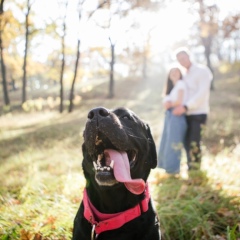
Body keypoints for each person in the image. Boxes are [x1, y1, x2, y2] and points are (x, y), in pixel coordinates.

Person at [173, 48, 213, 170]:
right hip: (185, 114)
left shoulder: (202, 71)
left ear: (189, 56)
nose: (182, 61)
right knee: (186, 143)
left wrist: (186, 106)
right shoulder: (183, 75)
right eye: (179, 60)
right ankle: (191, 167)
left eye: (183, 58)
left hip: (198, 113)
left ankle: (195, 170)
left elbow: (202, 93)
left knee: (194, 143)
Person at [158, 67, 187, 174]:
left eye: (176, 72)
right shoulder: (172, 88)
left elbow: (179, 101)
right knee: (166, 140)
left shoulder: (180, 84)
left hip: (176, 115)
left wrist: (169, 104)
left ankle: (173, 170)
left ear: (180, 74)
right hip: (170, 115)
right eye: (172, 72)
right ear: (169, 76)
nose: (174, 74)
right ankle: (166, 167)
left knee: (173, 142)